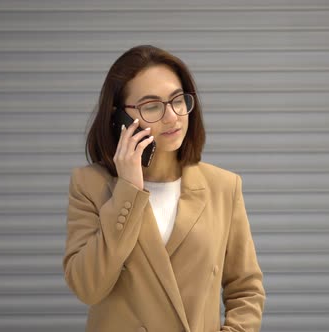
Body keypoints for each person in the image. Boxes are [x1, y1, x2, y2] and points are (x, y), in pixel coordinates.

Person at [63, 45, 265, 332]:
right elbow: (87, 287)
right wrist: (128, 189)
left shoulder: (223, 186)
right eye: (152, 106)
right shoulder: (90, 185)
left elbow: (246, 289)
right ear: (119, 116)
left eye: (177, 100)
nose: (172, 117)